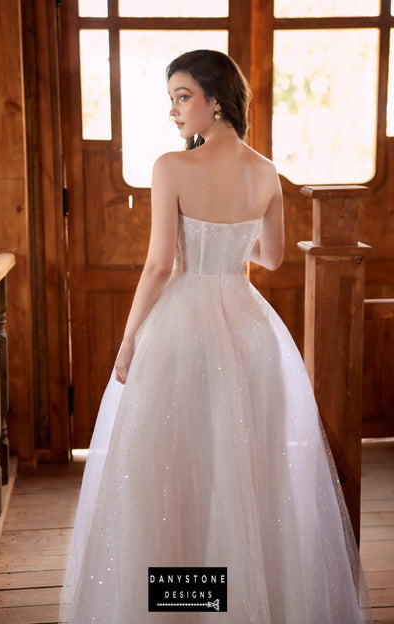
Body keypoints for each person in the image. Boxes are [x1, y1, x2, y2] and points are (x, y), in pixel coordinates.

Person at [59, 50, 372, 623]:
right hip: (249, 327)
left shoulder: (172, 168)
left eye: (183, 97)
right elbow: (272, 258)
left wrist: (127, 341)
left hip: (184, 322)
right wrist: (232, 236)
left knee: (175, 466)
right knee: (244, 470)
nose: (175, 111)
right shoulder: (265, 171)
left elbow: (158, 267)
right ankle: (242, 602)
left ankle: (182, 606)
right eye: (173, 99)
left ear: (216, 100)